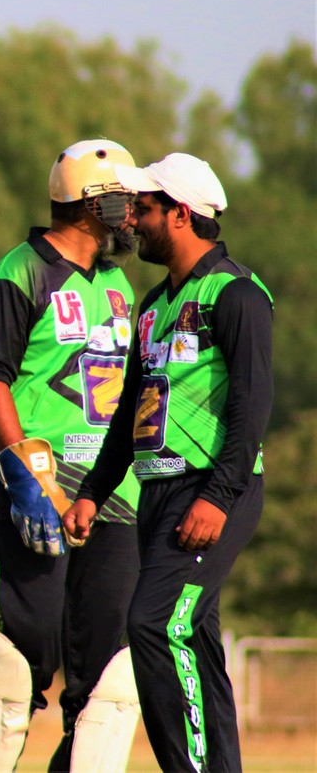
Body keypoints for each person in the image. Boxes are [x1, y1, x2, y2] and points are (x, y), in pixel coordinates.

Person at [64, 153, 273, 772]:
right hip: (157, 496)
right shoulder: (154, 304)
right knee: (195, 643)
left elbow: (252, 406)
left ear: (180, 214)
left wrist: (218, 497)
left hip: (211, 492)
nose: (131, 219)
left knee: (156, 625)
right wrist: (91, 493)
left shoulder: (236, 294)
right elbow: (129, 411)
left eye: (145, 208)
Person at [0, 140, 144, 772]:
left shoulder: (118, 283)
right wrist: (22, 469)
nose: (132, 211)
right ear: (92, 204)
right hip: (40, 480)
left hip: (114, 494)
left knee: (106, 672)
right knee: (25, 650)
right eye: (122, 199)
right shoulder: (17, 273)